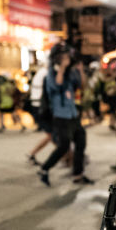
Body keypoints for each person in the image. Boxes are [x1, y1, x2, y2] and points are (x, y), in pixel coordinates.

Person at [37, 45, 92, 185]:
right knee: (63, 147)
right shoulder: (50, 73)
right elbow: (57, 85)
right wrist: (61, 67)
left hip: (73, 114)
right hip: (61, 117)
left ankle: (78, 175)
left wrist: (80, 71)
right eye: (64, 57)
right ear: (57, 58)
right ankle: (44, 168)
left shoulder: (70, 72)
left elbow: (82, 86)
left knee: (81, 142)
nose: (68, 59)